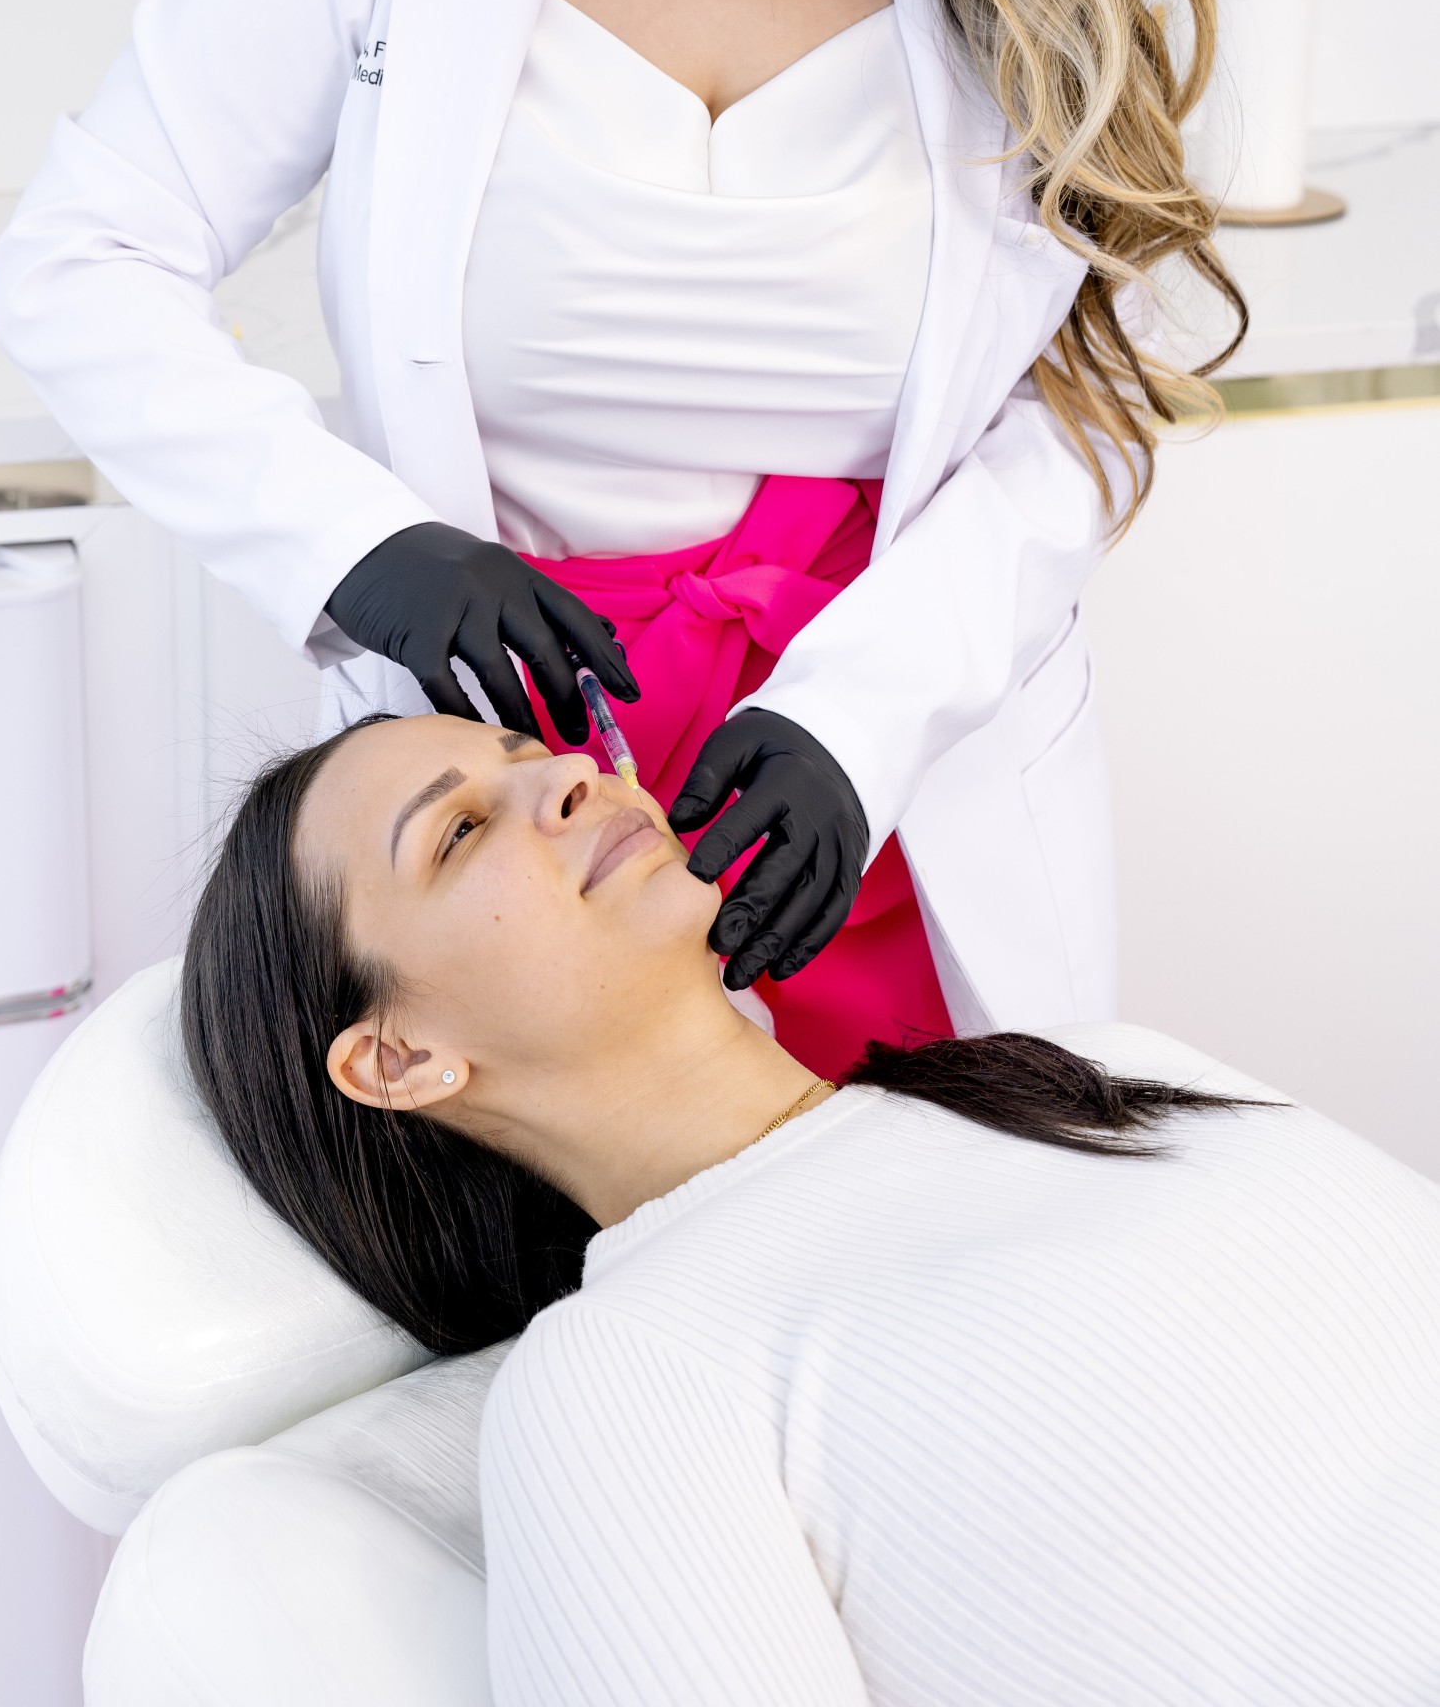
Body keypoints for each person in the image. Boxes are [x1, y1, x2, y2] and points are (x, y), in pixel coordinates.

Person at [0, 0, 1243, 1074]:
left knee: (895, 1226)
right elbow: (84, 253)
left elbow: (1082, 407)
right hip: (515, 821)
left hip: (853, 807)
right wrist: (359, 547)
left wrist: (862, 716)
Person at [184, 712, 1440, 1707]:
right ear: (399, 1059)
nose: (569, 775)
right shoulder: (620, 1375)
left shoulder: (1088, 1069)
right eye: (458, 831)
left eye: (532, 753)